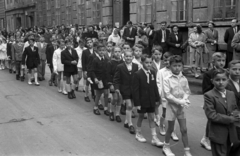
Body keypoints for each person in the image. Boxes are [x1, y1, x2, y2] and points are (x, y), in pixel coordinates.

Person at [204, 69, 240, 156]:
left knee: (228, 152)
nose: (221, 82)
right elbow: (212, 115)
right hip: (217, 132)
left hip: (230, 131)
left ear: (228, 80)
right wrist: (231, 118)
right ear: (212, 81)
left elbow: (234, 108)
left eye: (223, 79)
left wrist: (237, 114)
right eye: (217, 80)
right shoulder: (209, 95)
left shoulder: (231, 94)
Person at [162, 55, 192, 156]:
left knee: (184, 129)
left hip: (181, 107)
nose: (177, 68)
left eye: (179, 65)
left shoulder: (184, 78)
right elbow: (167, 95)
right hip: (171, 107)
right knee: (170, 128)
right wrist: (180, 102)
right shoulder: (167, 79)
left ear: (182, 66)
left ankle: (187, 150)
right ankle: (166, 146)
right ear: (170, 66)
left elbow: (187, 91)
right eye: (174, 65)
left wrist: (185, 99)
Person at [133, 54, 164, 147]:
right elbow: (135, 90)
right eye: (146, 62)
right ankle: (138, 133)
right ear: (142, 63)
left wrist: (157, 98)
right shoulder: (137, 74)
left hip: (151, 100)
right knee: (141, 116)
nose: (149, 64)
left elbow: (154, 87)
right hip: (142, 100)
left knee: (151, 117)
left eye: (150, 62)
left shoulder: (153, 73)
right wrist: (137, 103)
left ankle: (154, 137)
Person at [200, 52, 226, 151]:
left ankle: (217, 138)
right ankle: (205, 139)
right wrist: (208, 102)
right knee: (211, 120)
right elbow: (206, 89)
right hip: (212, 100)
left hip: (223, 100)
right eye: (219, 60)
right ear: (213, 62)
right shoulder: (208, 74)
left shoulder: (225, 73)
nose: (221, 63)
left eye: (223, 60)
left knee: (220, 119)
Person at [113, 51, 138, 134]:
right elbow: (116, 79)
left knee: (132, 106)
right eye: (126, 56)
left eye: (130, 56)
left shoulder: (136, 66)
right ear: (124, 57)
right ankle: (130, 124)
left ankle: (126, 122)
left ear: (133, 57)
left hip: (134, 89)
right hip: (125, 89)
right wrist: (117, 88)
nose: (128, 58)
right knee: (129, 105)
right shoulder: (120, 66)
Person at [156, 52, 179, 142]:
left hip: (174, 96)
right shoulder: (161, 72)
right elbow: (159, 83)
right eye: (165, 60)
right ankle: (161, 126)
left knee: (175, 114)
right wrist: (161, 95)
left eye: (168, 61)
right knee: (165, 113)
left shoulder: (176, 71)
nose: (166, 63)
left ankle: (173, 131)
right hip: (165, 96)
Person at [89, 43, 109, 115]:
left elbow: (108, 70)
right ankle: (95, 107)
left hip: (105, 80)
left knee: (106, 94)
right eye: (100, 50)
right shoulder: (95, 60)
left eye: (103, 50)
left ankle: (106, 108)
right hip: (98, 80)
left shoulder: (106, 59)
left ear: (105, 51)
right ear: (97, 51)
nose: (102, 52)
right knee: (98, 94)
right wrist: (95, 78)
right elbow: (92, 70)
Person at [226, 60, 240, 156]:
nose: (237, 71)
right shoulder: (226, 84)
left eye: (239, 69)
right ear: (228, 70)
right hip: (232, 117)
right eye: (234, 69)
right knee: (234, 142)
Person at [107, 46, 124, 122]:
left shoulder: (123, 62)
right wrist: (110, 84)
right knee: (115, 98)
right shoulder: (110, 63)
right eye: (116, 51)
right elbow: (108, 74)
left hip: (121, 83)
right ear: (113, 53)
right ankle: (111, 112)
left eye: (119, 51)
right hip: (113, 83)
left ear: (121, 52)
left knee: (120, 99)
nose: (117, 53)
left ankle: (117, 114)